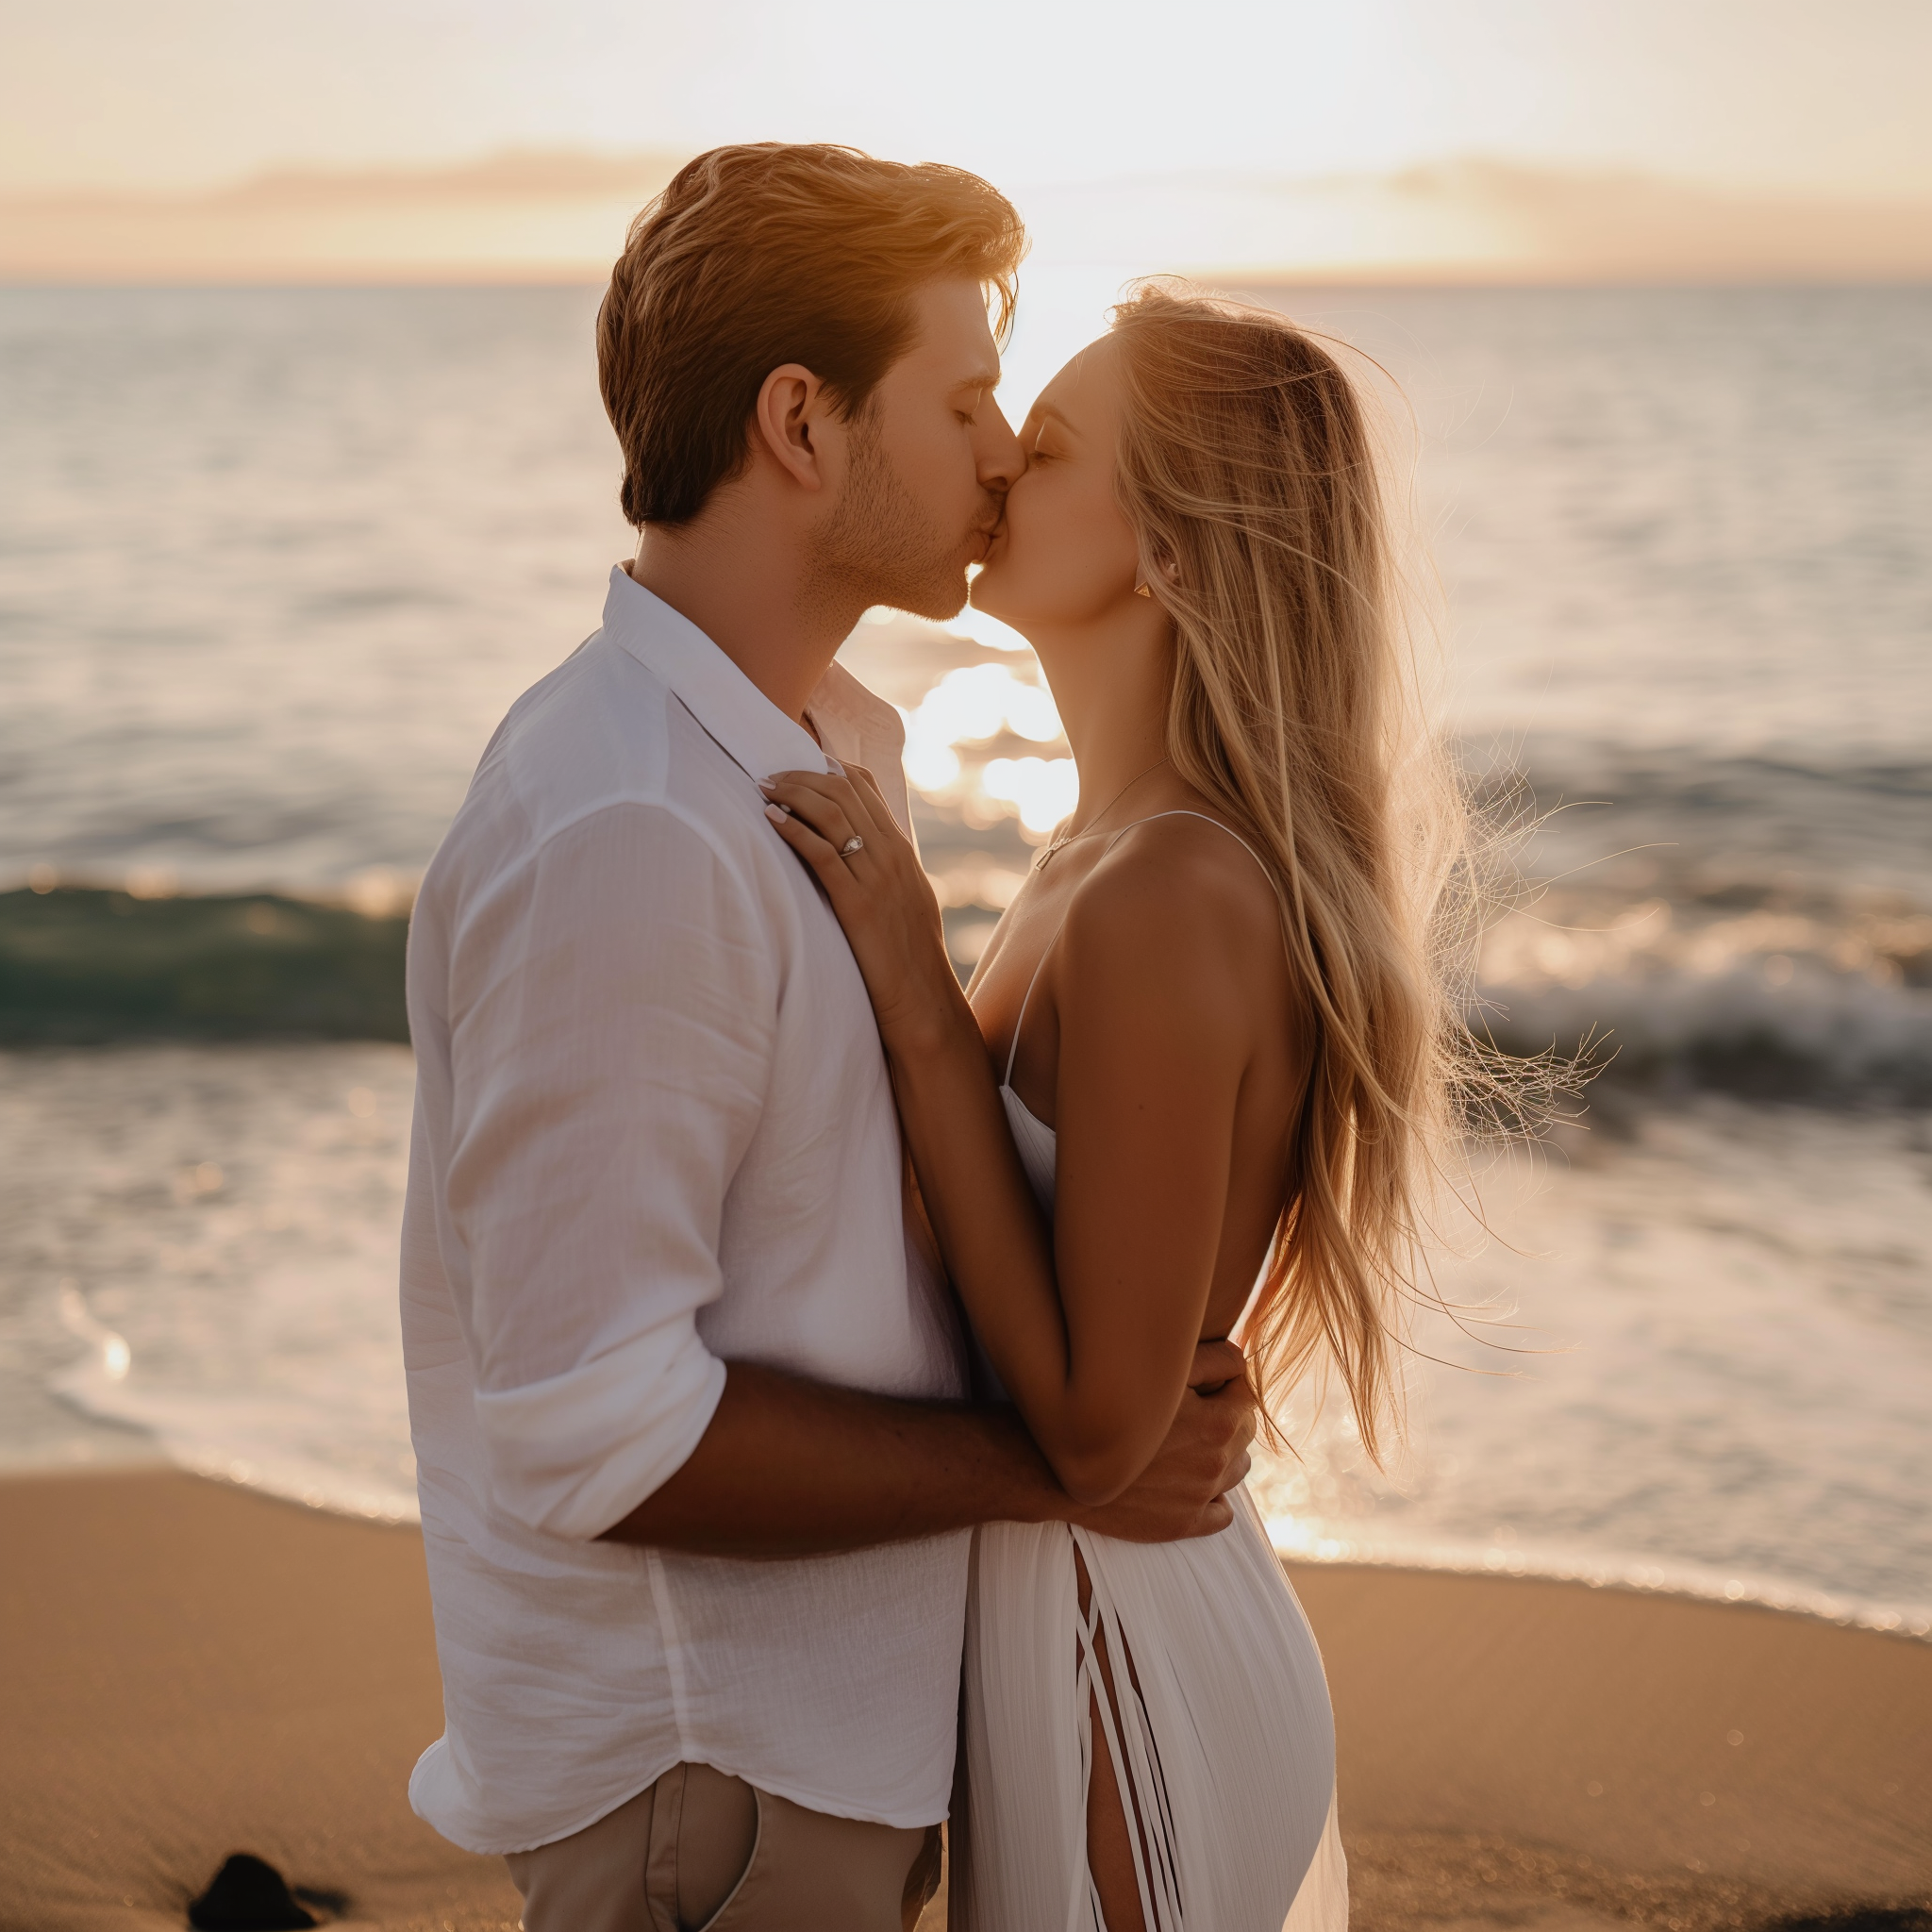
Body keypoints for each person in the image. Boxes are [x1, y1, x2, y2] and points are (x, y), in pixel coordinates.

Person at [398, 148, 1257, 1932]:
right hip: (708, 1799)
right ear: (802, 423)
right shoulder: (627, 826)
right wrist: (1062, 1463)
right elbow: (595, 1434)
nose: (1005, 449)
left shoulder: (820, 765)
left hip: (819, 1771)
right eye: (961, 399)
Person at [765, 284, 1473, 1930]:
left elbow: (1094, 1430)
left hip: (1124, 1661)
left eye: (1055, 444)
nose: (999, 461)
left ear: (1170, 548)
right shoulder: (1097, 861)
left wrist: (921, 1009)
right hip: (1085, 1623)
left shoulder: (1167, 890)